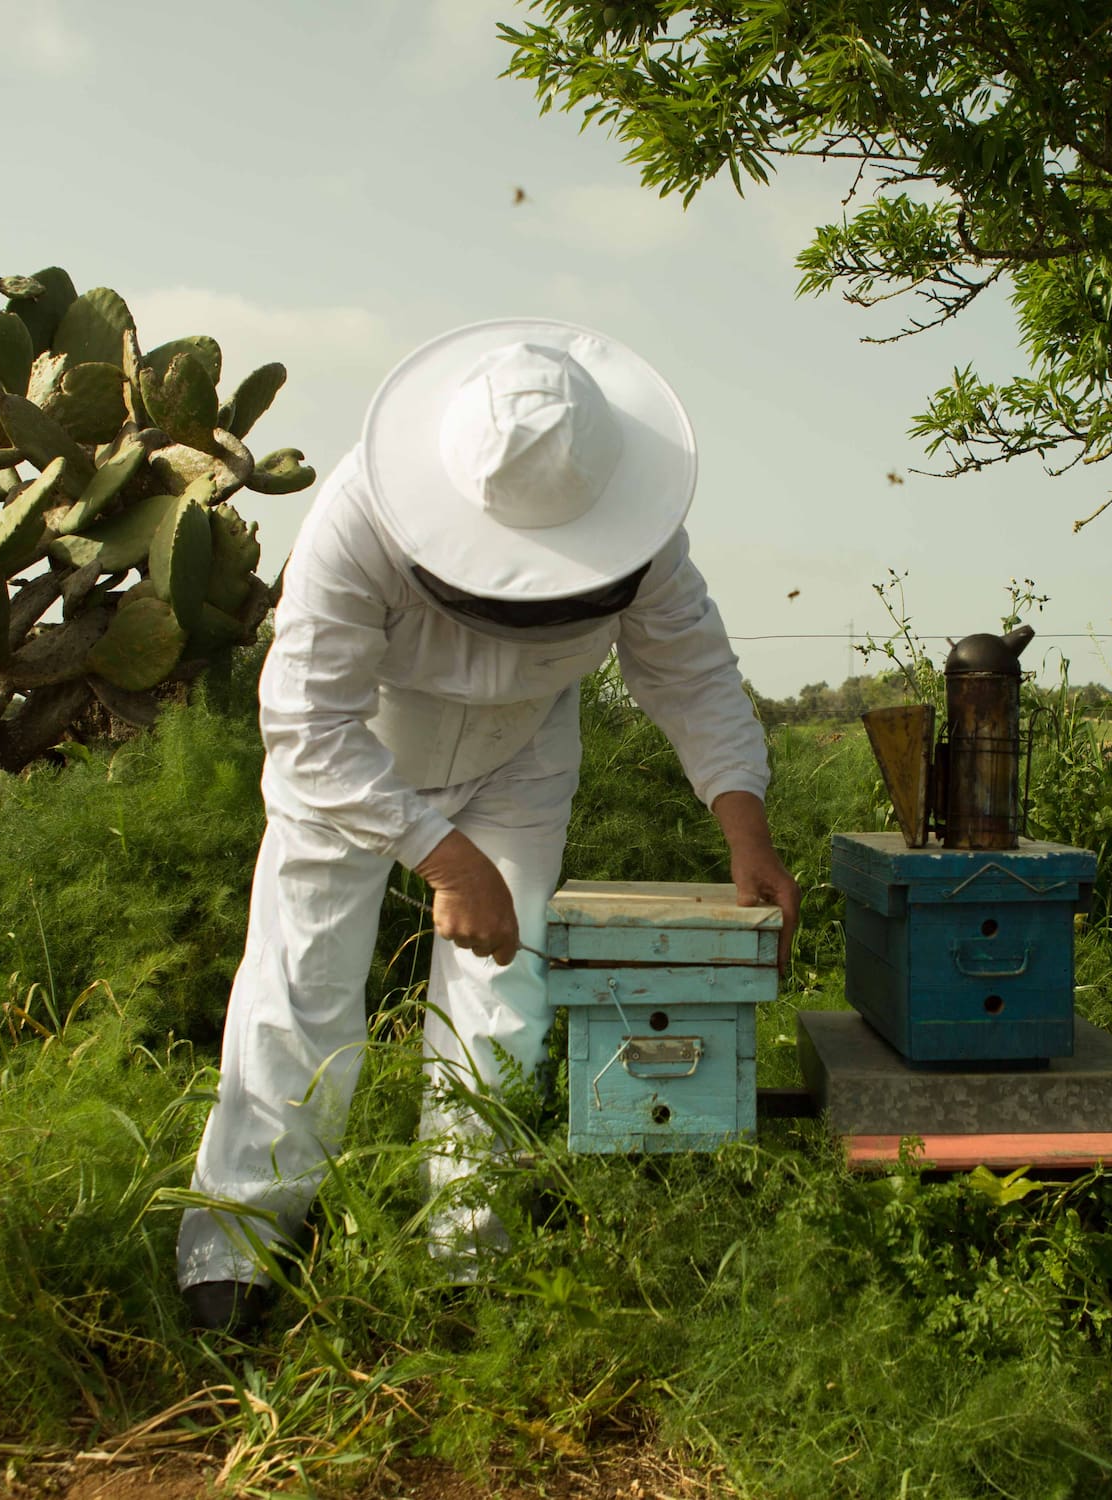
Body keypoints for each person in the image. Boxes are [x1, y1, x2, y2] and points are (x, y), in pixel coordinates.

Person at [176, 318, 801, 1332]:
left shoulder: (642, 533)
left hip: (520, 755)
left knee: (500, 1000)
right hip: (356, 757)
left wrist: (746, 825)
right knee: (301, 989)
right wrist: (438, 853)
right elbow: (304, 723)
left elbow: (690, 673)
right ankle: (235, 1253)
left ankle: (465, 1257)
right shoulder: (354, 516)